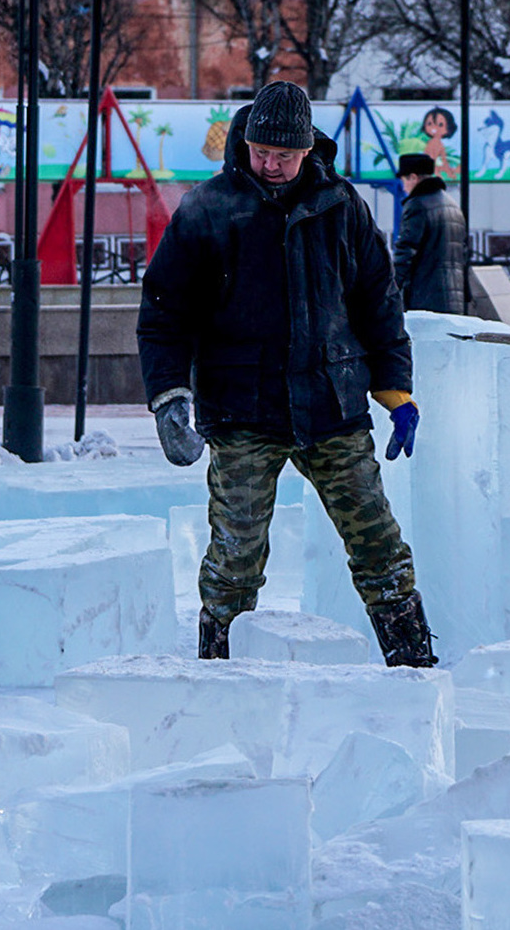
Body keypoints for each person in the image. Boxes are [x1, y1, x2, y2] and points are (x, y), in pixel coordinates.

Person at [138, 80, 436, 667]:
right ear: (246, 143)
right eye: (261, 152)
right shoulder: (208, 209)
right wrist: (169, 397)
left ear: (308, 150)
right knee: (235, 556)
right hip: (240, 409)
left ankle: (415, 668)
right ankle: (222, 673)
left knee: (378, 543)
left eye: (284, 155)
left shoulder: (341, 206)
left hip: (331, 403)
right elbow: (163, 313)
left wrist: (396, 390)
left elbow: (379, 301)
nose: (271, 165)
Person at [393, 153, 469, 314]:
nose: (403, 186)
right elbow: (463, 255)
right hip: (455, 298)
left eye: (404, 180)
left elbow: (405, 252)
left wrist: (389, 290)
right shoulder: (452, 205)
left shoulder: (417, 205)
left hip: (425, 299)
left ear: (413, 177)